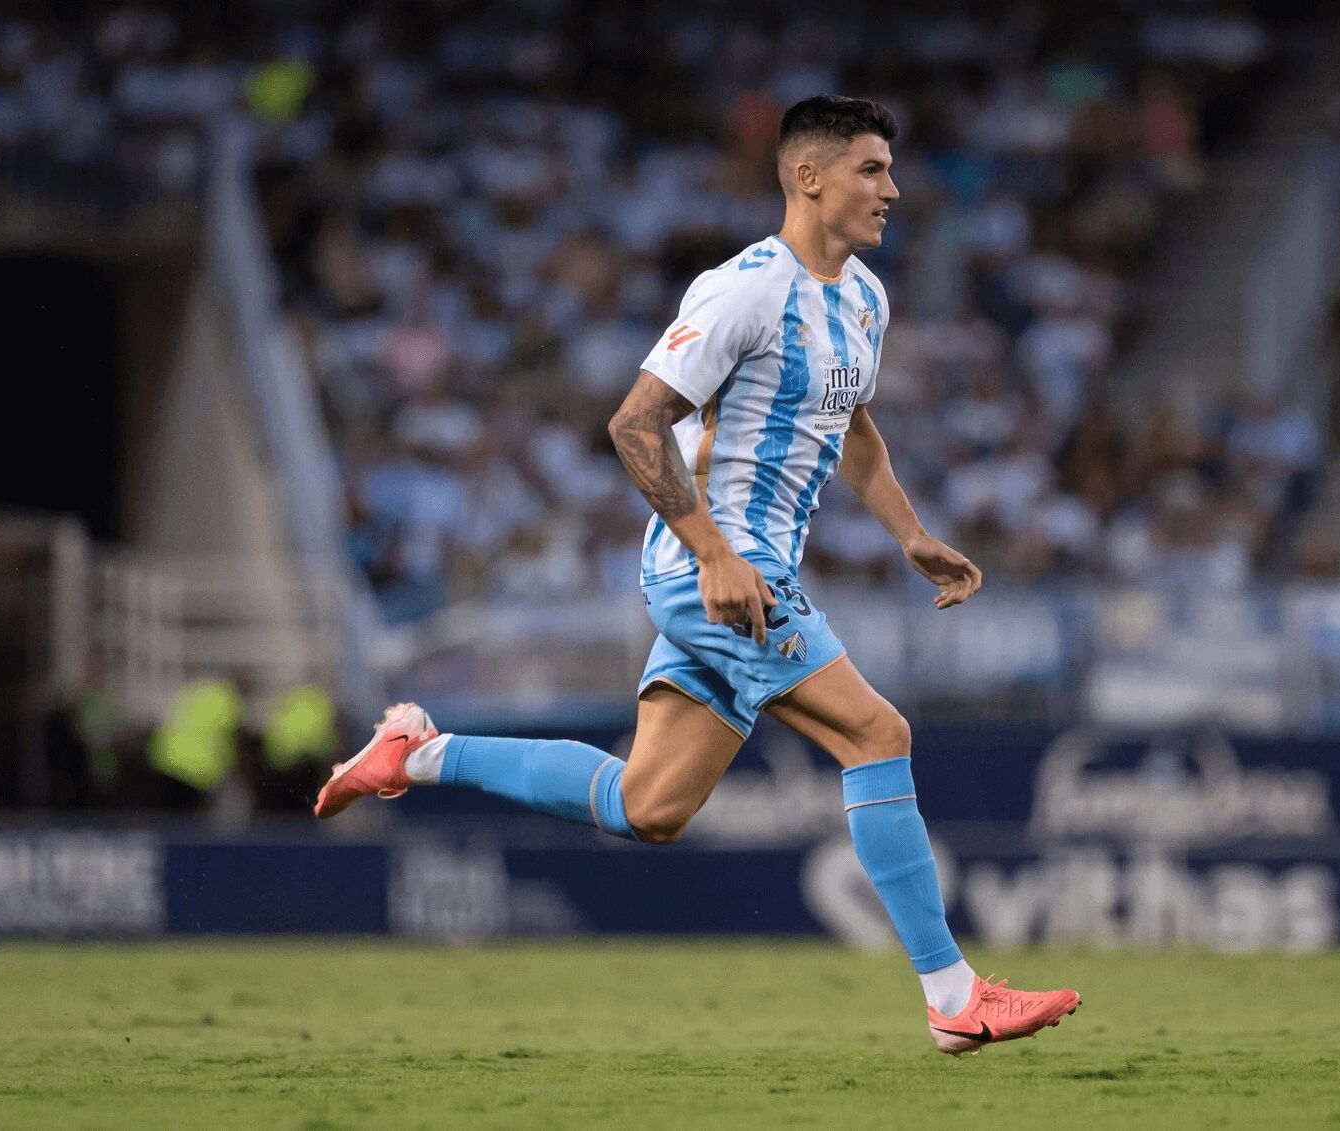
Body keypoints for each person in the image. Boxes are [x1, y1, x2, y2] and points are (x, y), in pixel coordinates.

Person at [314, 95, 1079, 1055]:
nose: (893, 189)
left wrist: (910, 534)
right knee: (877, 731)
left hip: (739, 573)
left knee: (648, 806)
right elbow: (634, 423)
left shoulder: (866, 298)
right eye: (873, 169)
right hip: (714, 569)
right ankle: (953, 996)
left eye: (890, 170)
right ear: (810, 176)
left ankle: (416, 752)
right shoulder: (743, 289)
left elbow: (851, 423)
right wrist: (716, 555)